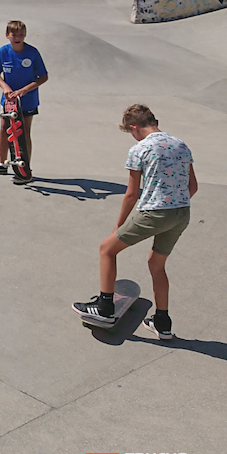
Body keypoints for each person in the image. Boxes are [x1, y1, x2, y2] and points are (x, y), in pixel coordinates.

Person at [74, 105, 195, 340]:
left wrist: (118, 225)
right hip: (181, 213)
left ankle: (105, 308)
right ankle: (162, 322)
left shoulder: (139, 149)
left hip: (154, 212)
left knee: (107, 249)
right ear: (154, 121)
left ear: (134, 127)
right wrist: (172, 206)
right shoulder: (181, 144)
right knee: (156, 265)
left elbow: (131, 194)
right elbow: (193, 187)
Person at [0, 20, 48, 184]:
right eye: (14, 34)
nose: (18, 37)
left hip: (27, 99)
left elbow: (43, 77)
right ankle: (2, 164)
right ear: (7, 35)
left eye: (21, 34)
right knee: (5, 129)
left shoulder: (32, 53)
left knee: (23, 131)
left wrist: (25, 90)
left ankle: (25, 168)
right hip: (9, 99)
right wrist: (5, 87)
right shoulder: (3, 52)